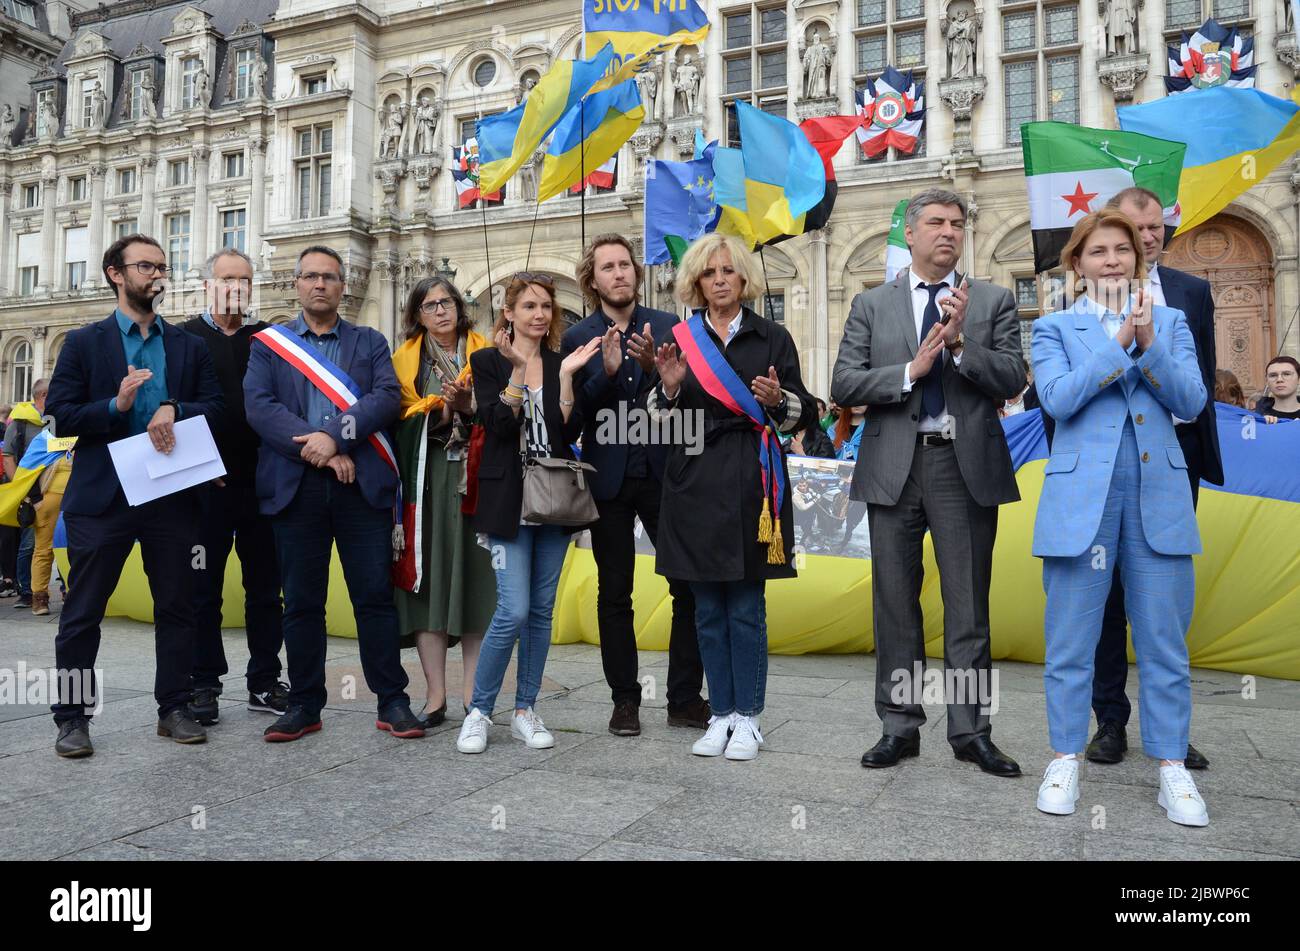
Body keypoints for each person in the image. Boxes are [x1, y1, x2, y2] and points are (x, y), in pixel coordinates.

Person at [832, 188, 1026, 776]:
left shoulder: (992, 300)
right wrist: (910, 372)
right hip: (894, 466)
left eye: (957, 223)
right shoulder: (872, 304)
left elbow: (1015, 376)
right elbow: (843, 384)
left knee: (968, 605)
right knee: (894, 603)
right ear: (910, 234)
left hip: (962, 467)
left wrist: (962, 344)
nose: (948, 231)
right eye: (936, 222)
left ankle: (971, 731)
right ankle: (899, 725)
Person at [1031, 209, 1210, 826]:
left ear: (1140, 259)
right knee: (1071, 640)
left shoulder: (1174, 322)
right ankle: (1064, 759)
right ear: (1076, 264)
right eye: (1098, 251)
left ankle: (1171, 768)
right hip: (1082, 501)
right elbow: (1056, 400)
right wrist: (1117, 347)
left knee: (1164, 640)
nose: (1112, 260)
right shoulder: (1053, 327)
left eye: (1123, 250)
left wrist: (1151, 345)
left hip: (1159, 494)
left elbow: (1191, 400)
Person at [45, 233, 224, 757]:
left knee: (178, 606)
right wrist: (114, 406)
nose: (157, 275)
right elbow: (57, 418)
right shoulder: (83, 343)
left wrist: (175, 407)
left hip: (170, 495)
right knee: (82, 612)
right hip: (102, 497)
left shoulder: (189, 345)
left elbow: (217, 406)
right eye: (145, 266)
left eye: (162, 266)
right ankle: (72, 718)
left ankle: (174, 707)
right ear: (115, 274)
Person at [243, 245, 424, 743]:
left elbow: (386, 398)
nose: (319, 285)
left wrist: (336, 437)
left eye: (330, 277)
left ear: (343, 287)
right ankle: (303, 703)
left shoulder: (369, 341)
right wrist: (318, 449)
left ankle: (392, 700)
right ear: (296, 285)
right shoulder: (269, 345)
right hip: (296, 490)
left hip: (359, 488)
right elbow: (260, 408)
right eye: (310, 277)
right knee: (301, 602)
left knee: (373, 599)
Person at [648, 233, 816, 761]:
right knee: (705, 608)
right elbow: (655, 420)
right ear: (695, 282)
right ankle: (718, 714)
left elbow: (806, 411)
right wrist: (671, 387)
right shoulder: (680, 338)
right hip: (693, 480)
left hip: (752, 480)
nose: (719, 280)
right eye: (708, 273)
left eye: (728, 271)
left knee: (745, 606)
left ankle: (749, 718)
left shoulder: (773, 337)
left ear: (744, 277)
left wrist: (780, 400)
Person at [1083, 187, 1223, 770]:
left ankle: (1170, 728)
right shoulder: (1082, 301)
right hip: (1103, 465)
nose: (1149, 236)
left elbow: (1201, 385)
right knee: (1106, 594)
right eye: (1137, 227)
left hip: (1173, 460)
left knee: (1162, 599)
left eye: (1157, 227)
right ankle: (1110, 720)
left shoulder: (1191, 293)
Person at [560, 234, 707, 737]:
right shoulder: (577, 336)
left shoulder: (669, 327)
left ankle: (685, 698)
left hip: (668, 475)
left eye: (626, 265)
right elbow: (572, 420)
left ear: (636, 274)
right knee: (614, 592)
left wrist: (662, 378)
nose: (619, 273)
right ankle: (625, 699)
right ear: (592, 279)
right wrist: (604, 374)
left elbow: (693, 401)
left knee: (688, 585)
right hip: (609, 481)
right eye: (608, 267)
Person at [456, 274, 601, 754]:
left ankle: (525, 709)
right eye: (529, 306)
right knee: (512, 608)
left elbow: (567, 431)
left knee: (540, 613)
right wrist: (518, 371)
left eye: (546, 306)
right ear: (509, 312)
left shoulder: (563, 362)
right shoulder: (485, 360)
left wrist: (563, 380)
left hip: (554, 499)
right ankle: (479, 710)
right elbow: (497, 425)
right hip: (507, 502)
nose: (539, 314)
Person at [181, 249, 286, 725]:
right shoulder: (183, 339)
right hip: (205, 487)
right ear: (207, 285)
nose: (236, 287)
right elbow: (170, 408)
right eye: (227, 279)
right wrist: (199, 465)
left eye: (245, 279)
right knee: (203, 589)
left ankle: (264, 680)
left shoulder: (269, 339)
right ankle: (203, 683)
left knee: (265, 589)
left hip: (263, 484)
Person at [392, 276, 494, 727]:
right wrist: (443, 410)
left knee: (475, 582)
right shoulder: (403, 363)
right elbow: (396, 420)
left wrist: (470, 407)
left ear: (459, 306)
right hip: (426, 482)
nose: (440, 311)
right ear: (417, 315)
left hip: (477, 481)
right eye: (430, 305)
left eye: (447, 302)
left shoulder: (487, 353)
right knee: (427, 584)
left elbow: (508, 411)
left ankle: (474, 695)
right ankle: (434, 697)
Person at [2, 381, 49, 610]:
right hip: (30, 491)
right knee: (29, 542)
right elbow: (8, 455)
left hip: (55, 488)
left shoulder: (57, 417)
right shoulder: (20, 422)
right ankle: (26, 591)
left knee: (56, 542)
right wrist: (19, 488)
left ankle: (61, 589)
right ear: (43, 395)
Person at [29, 442, 71, 617]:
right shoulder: (44, 439)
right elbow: (28, 469)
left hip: (77, 502)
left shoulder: (85, 430)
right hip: (48, 503)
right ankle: (39, 597)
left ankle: (72, 593)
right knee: (44, 550)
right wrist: (36, 498)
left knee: (77, 550)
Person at [1255, 355, 1300, 422]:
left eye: (1286, 374)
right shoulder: (1255, 418)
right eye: (1273, 375)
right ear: (1267, 381)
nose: (1279, 379)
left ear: (1299, 379)